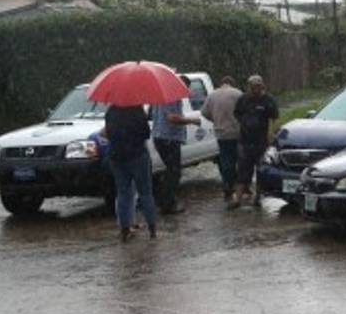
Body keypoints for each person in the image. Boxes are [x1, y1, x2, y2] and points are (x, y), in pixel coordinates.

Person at [104, 102, 157, 242]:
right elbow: (146, 133)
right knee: (145, 192)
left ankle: (124, 229)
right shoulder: (137, 110)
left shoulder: (111, 111)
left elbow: (107, 133)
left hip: (117, 156)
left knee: (122, 192)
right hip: (138, 155)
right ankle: (152, 229)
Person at [149, 74, 201, 214]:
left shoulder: (160, 96)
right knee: (174, 172)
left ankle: (163, 201)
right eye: (186, 88)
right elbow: (172, 118)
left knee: (170, 171)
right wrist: (192, 121)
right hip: (169, 138)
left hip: (160, 137)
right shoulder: (172, 97)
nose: (186, 91)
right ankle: (168, 203)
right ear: (181, 85)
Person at [231, 74, 278, 209]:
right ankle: (237, 199)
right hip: (244, 142)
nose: (255, 89)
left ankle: (257, 197)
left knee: (261, 171)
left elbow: (275, 117)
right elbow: (237, 113)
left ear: (262, 86)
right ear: (249, 87)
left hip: (261, 142)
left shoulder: (268, 100)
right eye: (252, 87)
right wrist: (244, 123)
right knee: (242, 171)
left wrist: (272, 132)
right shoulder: (243, 99)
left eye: (257, 86)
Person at [201, 75, 243, 202]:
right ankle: (238, 186)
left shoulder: (212, 95)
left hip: (221, 133)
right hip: (236, 132)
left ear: (221, 83)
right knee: (238, 160)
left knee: (225, 161)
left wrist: (214, 119)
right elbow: (245, 111)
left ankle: (227, 185)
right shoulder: (238, 94)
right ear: (232, 84)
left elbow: (204, 112)